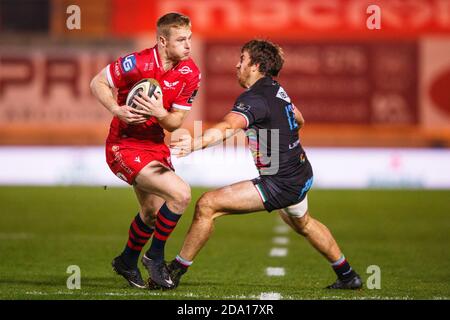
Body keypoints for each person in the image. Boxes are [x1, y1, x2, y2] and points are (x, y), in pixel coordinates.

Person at [169, 39, 362, 290]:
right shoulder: (276, 90)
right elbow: (299, 119)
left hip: (280, 182)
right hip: (300, 172)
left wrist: (194, 144)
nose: (237, 65)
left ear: (256, 66)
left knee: (208, 205)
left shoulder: (256, 98)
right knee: (303, 222)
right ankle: (348, 276)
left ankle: (174, 271)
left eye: (242, 60)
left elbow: (227, 127)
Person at [90, 12, 201, 290]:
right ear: (163, 41)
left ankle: (127, 261)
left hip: (154, 146)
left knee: (152, 213)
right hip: (123, 145)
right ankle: (155, 256)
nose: (188, 45)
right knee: (180, 194)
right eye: (181, 39)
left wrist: (159, 112)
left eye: (190, 38)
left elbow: (175, 122)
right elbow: (97, 83)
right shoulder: (136, 63)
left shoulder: (190, 72)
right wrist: (117, 110)